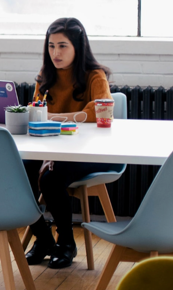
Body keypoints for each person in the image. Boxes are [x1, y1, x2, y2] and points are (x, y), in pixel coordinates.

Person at [23, 17, 116, 269]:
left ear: (78, 47)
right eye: (51, 46)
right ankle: (43, 239)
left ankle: (66, 242)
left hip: (90, 151)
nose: (56, 52)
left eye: (62, 46)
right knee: (18, 172)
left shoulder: (94, 76)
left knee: (50, 178)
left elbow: (100, 110)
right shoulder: (45, 76)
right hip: (51, 148)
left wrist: (56, 117)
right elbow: (37, 111)